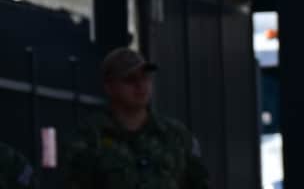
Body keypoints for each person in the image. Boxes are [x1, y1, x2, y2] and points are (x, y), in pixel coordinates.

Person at [63, 47, 209, 189]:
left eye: (145, 77)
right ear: (109, 87)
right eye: (130, 79)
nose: (140, 85)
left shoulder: (176, 135)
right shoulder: (90, 138)